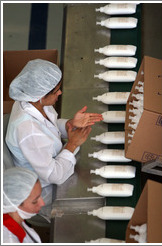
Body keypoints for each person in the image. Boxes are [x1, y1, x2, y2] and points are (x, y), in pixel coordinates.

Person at [5, 59, 103, 207]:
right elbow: (54, 175)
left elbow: (48, 126)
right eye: (56, 90)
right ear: (41, 96)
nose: (60, 92)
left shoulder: (32, 101)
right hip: (46, 187)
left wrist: (70, 124)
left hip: (56, 160)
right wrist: (72, 144)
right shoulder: (28, 130)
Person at [3, 167, 45, 243]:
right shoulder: (9, 240)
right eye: (35, 201)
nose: (42, 203)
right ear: (14, 204)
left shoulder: (15, 218)